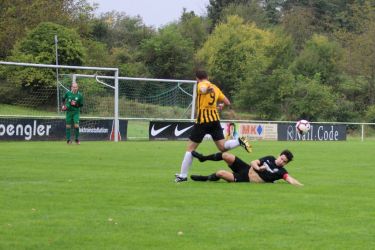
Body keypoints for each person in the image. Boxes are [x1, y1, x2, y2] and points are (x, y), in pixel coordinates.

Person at [175, 70, 252, 182]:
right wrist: (220, 105)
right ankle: (239, 141)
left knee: (190, 149)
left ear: (197, 78)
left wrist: (206, 90)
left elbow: (202, 89)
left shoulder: (202, 84)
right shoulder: (215, 87)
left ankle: (183, 176)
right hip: (215, 120)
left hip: (202, 121)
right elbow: (227, 102)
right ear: (207, 76)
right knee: (222, 147)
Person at [190, 150, 303, 186]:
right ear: (279, 155)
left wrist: (300, 185)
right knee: (226, 155)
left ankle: (203, 179)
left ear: (286, 164)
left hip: (245, 178)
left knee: (220, 173)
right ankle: (203, 158)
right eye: (281, 158)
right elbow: (254, 162)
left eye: (284, 161)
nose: (281, 161)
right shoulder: (270, 158)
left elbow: (290, 179)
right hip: (246, 168)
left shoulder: (281, 172)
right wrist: (258, 168)